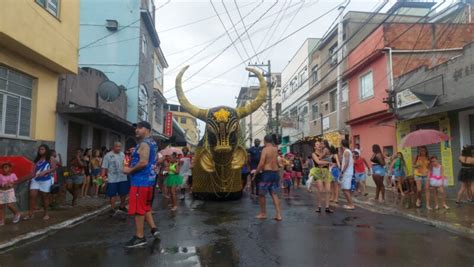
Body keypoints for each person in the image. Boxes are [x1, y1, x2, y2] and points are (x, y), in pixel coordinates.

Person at [123, 121, 160, 248]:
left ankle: (140, 237)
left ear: (147, 130)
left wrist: (129, 170)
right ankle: (154, 229)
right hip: (149, 181)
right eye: (136, 128)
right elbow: (153, 159)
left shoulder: (144, 144)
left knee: (139, 210)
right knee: (145, 207)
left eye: (140, 128)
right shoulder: (153, 143)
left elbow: (143, 162)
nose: (136, 130)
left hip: (140, 181)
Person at [252, 135, 282, 221]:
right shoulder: (276, 149)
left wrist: (255, 173)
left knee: (262, 194)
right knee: (274, 194)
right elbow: (278, 161)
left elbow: (261, 163)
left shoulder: (265, 150)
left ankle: (263, 213)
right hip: (275, 173)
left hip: (267, 174)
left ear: (265, 141)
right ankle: (278, 215)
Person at [25, 144, 55, 220]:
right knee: (32, 196)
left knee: (44, 197)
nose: (40, 151)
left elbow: (54, 168)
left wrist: (45, 171)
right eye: (40, 149)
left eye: (42, 149)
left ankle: (46, 213)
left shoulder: (50, 158)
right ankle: (31, 214)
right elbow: (33, 171)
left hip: (46, 181)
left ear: (46, 150)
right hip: (35, 180)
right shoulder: (37, 159)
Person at [102, 142, 129, 214]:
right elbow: (104, 167)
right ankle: (112, 208)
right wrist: (103, 176)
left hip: (123, 177)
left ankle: (122, 206)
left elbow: (126, 164)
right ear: (113, 147)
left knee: (123, 193)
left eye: (120, 147)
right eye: (117, 147)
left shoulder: (122, 154)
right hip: (112, 178)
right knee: (112, 194)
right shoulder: (108, 155)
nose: (118, 148)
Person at [311, 140, 333, 213]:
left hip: (326, 171)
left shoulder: (325, 152)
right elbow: (318, 162)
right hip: (318, 172)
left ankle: (327, 207)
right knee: (320, 190)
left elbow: (329, 160)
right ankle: (319, 206)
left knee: (328, 190)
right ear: (315, 147)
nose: (319, 145)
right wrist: (328, 162)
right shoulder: (313, 154)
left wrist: (328, 163)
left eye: (320, 144)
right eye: (317, 144)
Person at [340, 139, 355, 210]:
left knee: (345, 189)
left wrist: (342, 172)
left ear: (342, 144)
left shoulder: (346, 152)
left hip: (347, 173)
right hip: (348, 172)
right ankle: (349, 203)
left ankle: (351, 205)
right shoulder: (348, 151)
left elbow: (346, 163)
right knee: (344, 189)